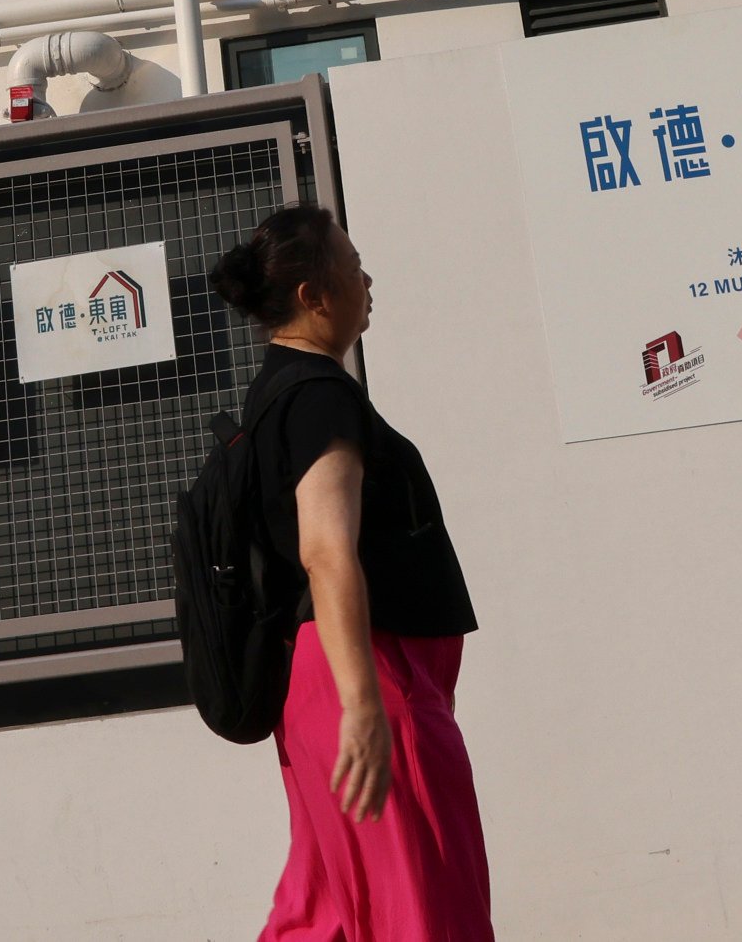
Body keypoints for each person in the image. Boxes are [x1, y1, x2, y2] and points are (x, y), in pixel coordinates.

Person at [208, 204, 494, 940]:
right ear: (313, 295)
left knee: (326, 914)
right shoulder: (316, 397)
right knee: (424, 909)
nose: (367, 278)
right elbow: (326, 549)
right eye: (352, 263)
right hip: (366, 683)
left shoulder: (278, 395)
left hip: (325, 688)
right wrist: (366, 709)